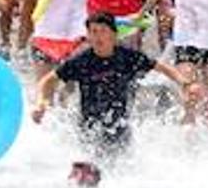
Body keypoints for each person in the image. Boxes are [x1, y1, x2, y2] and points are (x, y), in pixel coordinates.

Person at [33, 12, 194, 161]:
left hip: (120, 126)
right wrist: (42, 102)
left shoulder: (127, 57)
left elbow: (161, 67)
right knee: (90, 173)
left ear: (114, 34)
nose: (98, 37)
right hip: (89, 128)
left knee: (120, 169)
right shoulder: (81, 61)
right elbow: (47, 81)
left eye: (102, 31)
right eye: (93, 32)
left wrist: (184, 83)